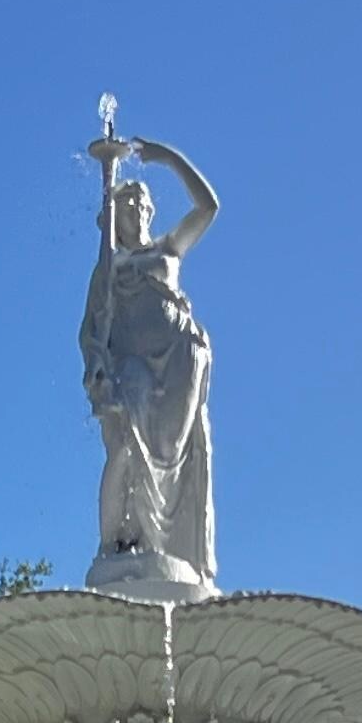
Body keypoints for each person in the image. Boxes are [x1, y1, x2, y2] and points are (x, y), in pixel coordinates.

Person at [79, 129, 221, 593]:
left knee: (172, 454)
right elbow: (91, 328)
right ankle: (115, 543)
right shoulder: (109, 267)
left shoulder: (167, 250)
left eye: (140, 207)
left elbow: (208, 207)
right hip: (132, 366)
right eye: (125, 208)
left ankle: (163, 546)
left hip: (180, 361)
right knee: (127, 446)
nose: (134, 214)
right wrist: (96, 366)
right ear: (113, 218)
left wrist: (168, 158)